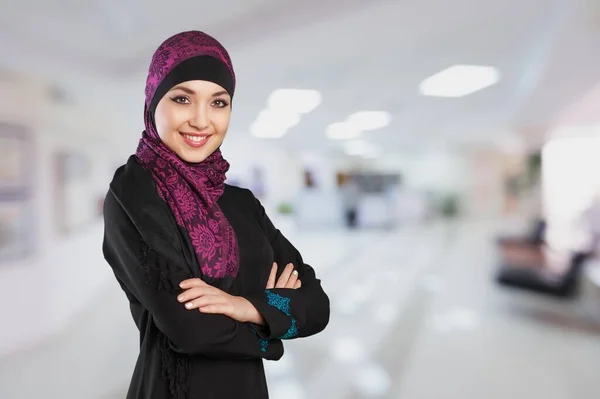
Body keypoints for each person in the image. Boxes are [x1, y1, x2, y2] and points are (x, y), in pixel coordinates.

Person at [102, 31, 330, 399]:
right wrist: (271, 325)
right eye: (182, 99)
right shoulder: (134, 193)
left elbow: (317, 306)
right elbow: (190, 330)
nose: (201, 120)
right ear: (153, 101)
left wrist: (243, 306)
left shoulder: (241, 202)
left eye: (218, 103)